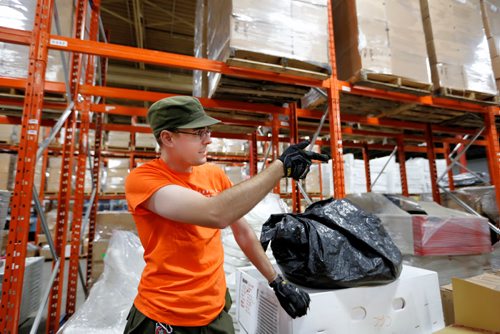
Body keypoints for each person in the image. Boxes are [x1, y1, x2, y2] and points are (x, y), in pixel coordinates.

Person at [124, 96, 329, 333]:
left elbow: (242, 231)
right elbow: (216, 213)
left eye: (207, 131)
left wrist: (276, 281)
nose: (208, 140)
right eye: (198, 133)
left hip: (214, 310)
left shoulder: (213, 175)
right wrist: (278, 168)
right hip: (166, 314)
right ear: (167, 138)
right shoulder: (144, 180)